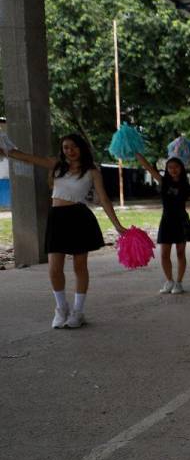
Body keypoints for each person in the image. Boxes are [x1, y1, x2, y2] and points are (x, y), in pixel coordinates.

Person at [1, 133, 126, 328]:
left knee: (79, 266)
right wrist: (4, 146)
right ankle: (61, 309)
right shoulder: (56, 165)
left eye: (74, 147)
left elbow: (103, 199)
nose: (70, 151)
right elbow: (24, 156)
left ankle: (78, 311)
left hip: (79, 218)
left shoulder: (92, 171)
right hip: (57, 219)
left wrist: (117, 225)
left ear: (81, 148)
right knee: (54, 267)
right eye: (66, 147)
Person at [135, 152, 190, 293]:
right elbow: (148, 167)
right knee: (164, 254)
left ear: (181, 168)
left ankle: (179, 282)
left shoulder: (187, 187)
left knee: (180, 253)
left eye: (176, 167)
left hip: (181, 222)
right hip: (166, 221)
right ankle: (169, 281)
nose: (173, 170)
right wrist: (136, 152)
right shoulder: (163, 182)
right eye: (170, 167)